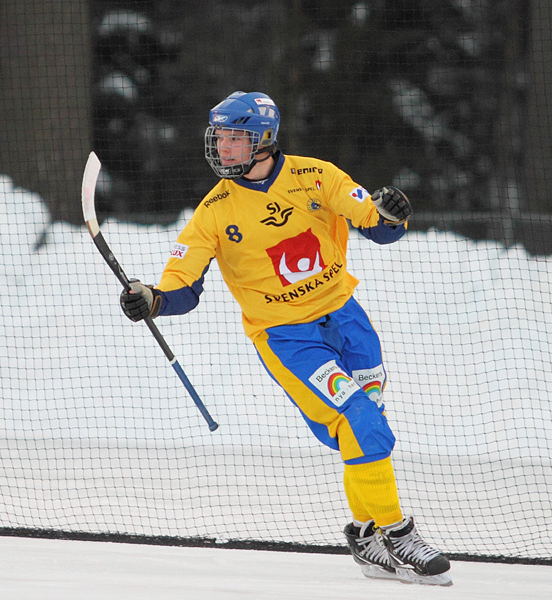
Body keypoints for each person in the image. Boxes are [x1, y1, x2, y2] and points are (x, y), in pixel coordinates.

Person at [118, 91, 452, 586]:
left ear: (264, 140)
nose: (224, 148)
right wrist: (152, 297)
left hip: (347, 319)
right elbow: (182, 287)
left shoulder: (317, 175)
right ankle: (397, 532)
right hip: (288, 339)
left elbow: (378, 228)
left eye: (236, 138)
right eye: (220, 138)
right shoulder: (213, 211)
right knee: (359, 421)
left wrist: (391, 212)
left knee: (365, 428)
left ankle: (366, 538)